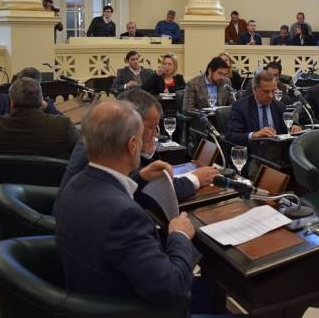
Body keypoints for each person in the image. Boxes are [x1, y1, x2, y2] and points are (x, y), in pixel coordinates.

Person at [54, 101, 209, 312]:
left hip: (91, 291)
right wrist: (179, 236)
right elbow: (173, 292)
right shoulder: (124, 217)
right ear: (133, 145)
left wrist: (140, 177)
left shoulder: (75, 184)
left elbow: (108, 197)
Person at [56, 89, 218, 208]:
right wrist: (194, 179)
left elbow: (141, 180)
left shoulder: (107, 136)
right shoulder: (108, 149)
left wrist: (147, 154)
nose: (155, 133)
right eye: (151, 127)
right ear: (132, 121)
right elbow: (153, 193)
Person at [0, 77, 79, 158]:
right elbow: (81, 147)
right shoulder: (62, 126)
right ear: (41, 101)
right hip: (53, 173)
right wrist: (48, 107)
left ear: (11, 102)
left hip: (8, 173)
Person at [0, 67, 62, 140]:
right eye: (23, 86)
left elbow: (63, 125)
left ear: (38, 87)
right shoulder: (3, 100)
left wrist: (46, 106)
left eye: (30, 87)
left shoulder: (45, 103)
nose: (26, 90)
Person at [226, 70, 302, 147]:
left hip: (277, 150)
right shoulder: (241, 107)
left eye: (273, 91)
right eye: (266, 91)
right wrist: (254, 135)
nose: (271, 96)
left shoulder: (279, 106)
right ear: (254, 90)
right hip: (253, 151)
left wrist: (294, 127)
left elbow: (289, 125)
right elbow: (231, 135)